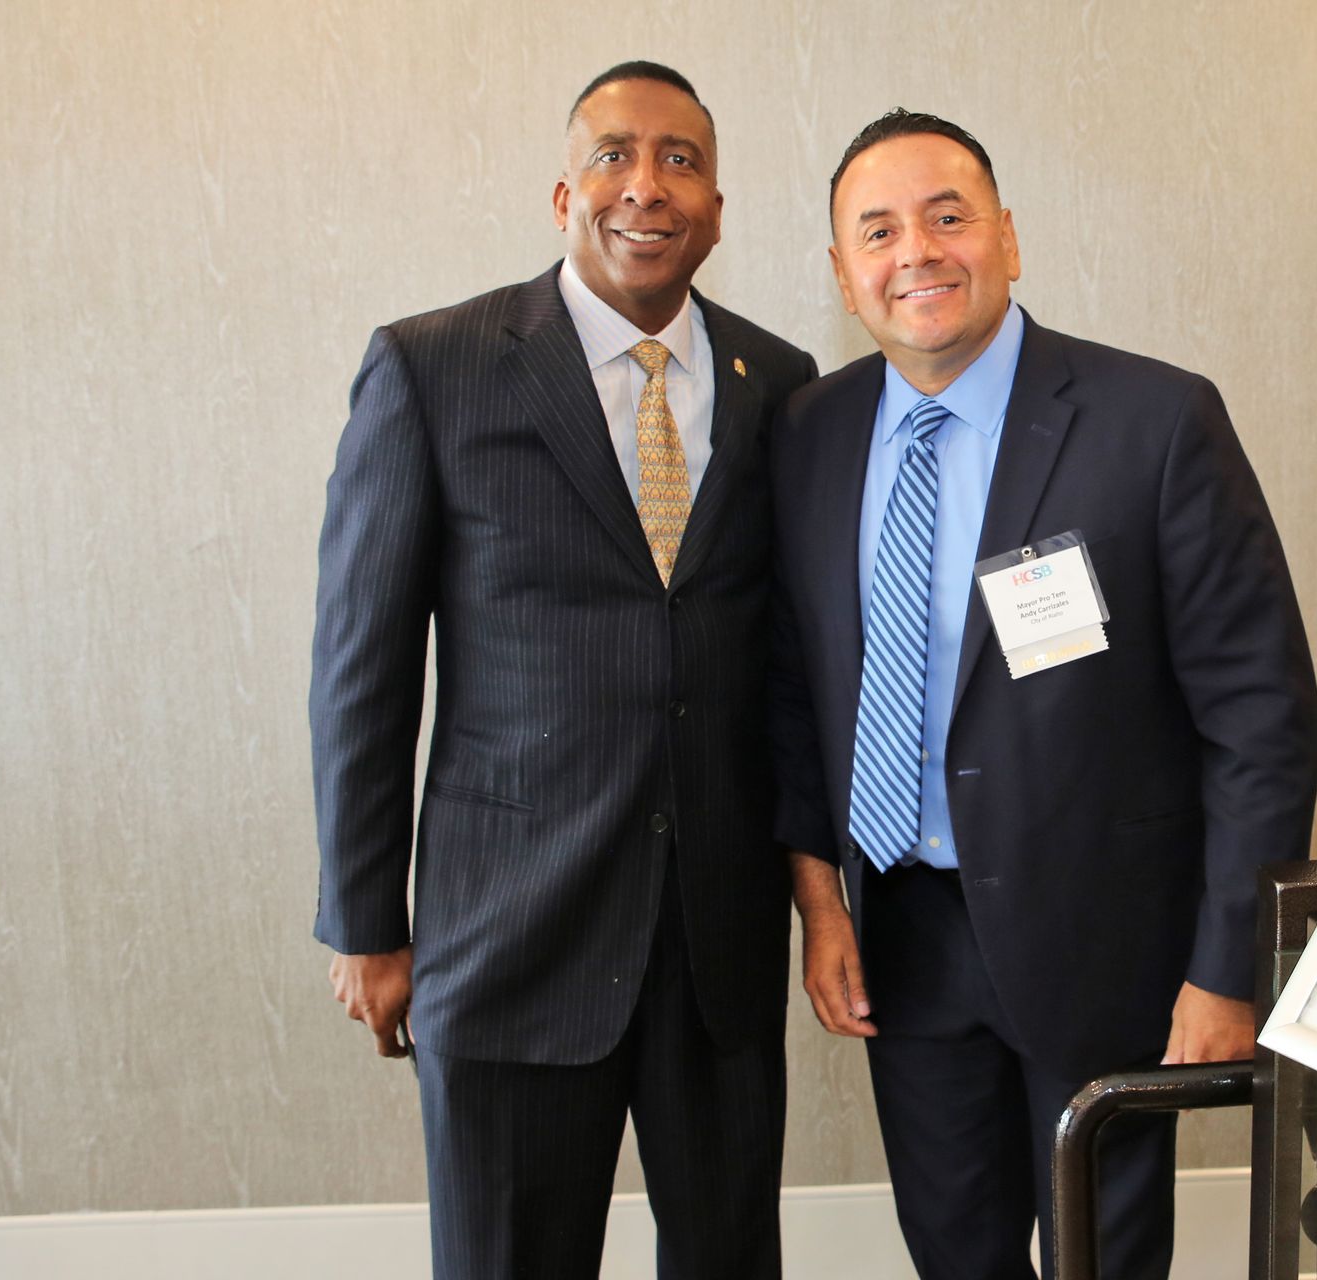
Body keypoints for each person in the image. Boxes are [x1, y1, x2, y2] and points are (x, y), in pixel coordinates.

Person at [770, 110, 1317, 1280]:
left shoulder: (1155, 421)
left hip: (1103, 934)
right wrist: (822, 901)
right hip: (904, 936)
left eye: (947, 215)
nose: (914, 249)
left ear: (1009, 238)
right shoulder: (812, 434)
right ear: (842, 274)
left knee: (1105, 1255)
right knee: (954, 1248)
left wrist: (1229, 964)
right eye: (877, 230)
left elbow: (1259, 717)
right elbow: (794, 688)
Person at [310, 61, 813, 1280]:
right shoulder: (432, 366)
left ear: (717, 208)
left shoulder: (780, 383)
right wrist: (367, 921)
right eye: (615, 155)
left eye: (681, 160)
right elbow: (363, 669)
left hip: (716, 944)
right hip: (510, 932)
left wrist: (820, 890)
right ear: (562, 193)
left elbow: (792, 669)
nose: (647, 185)